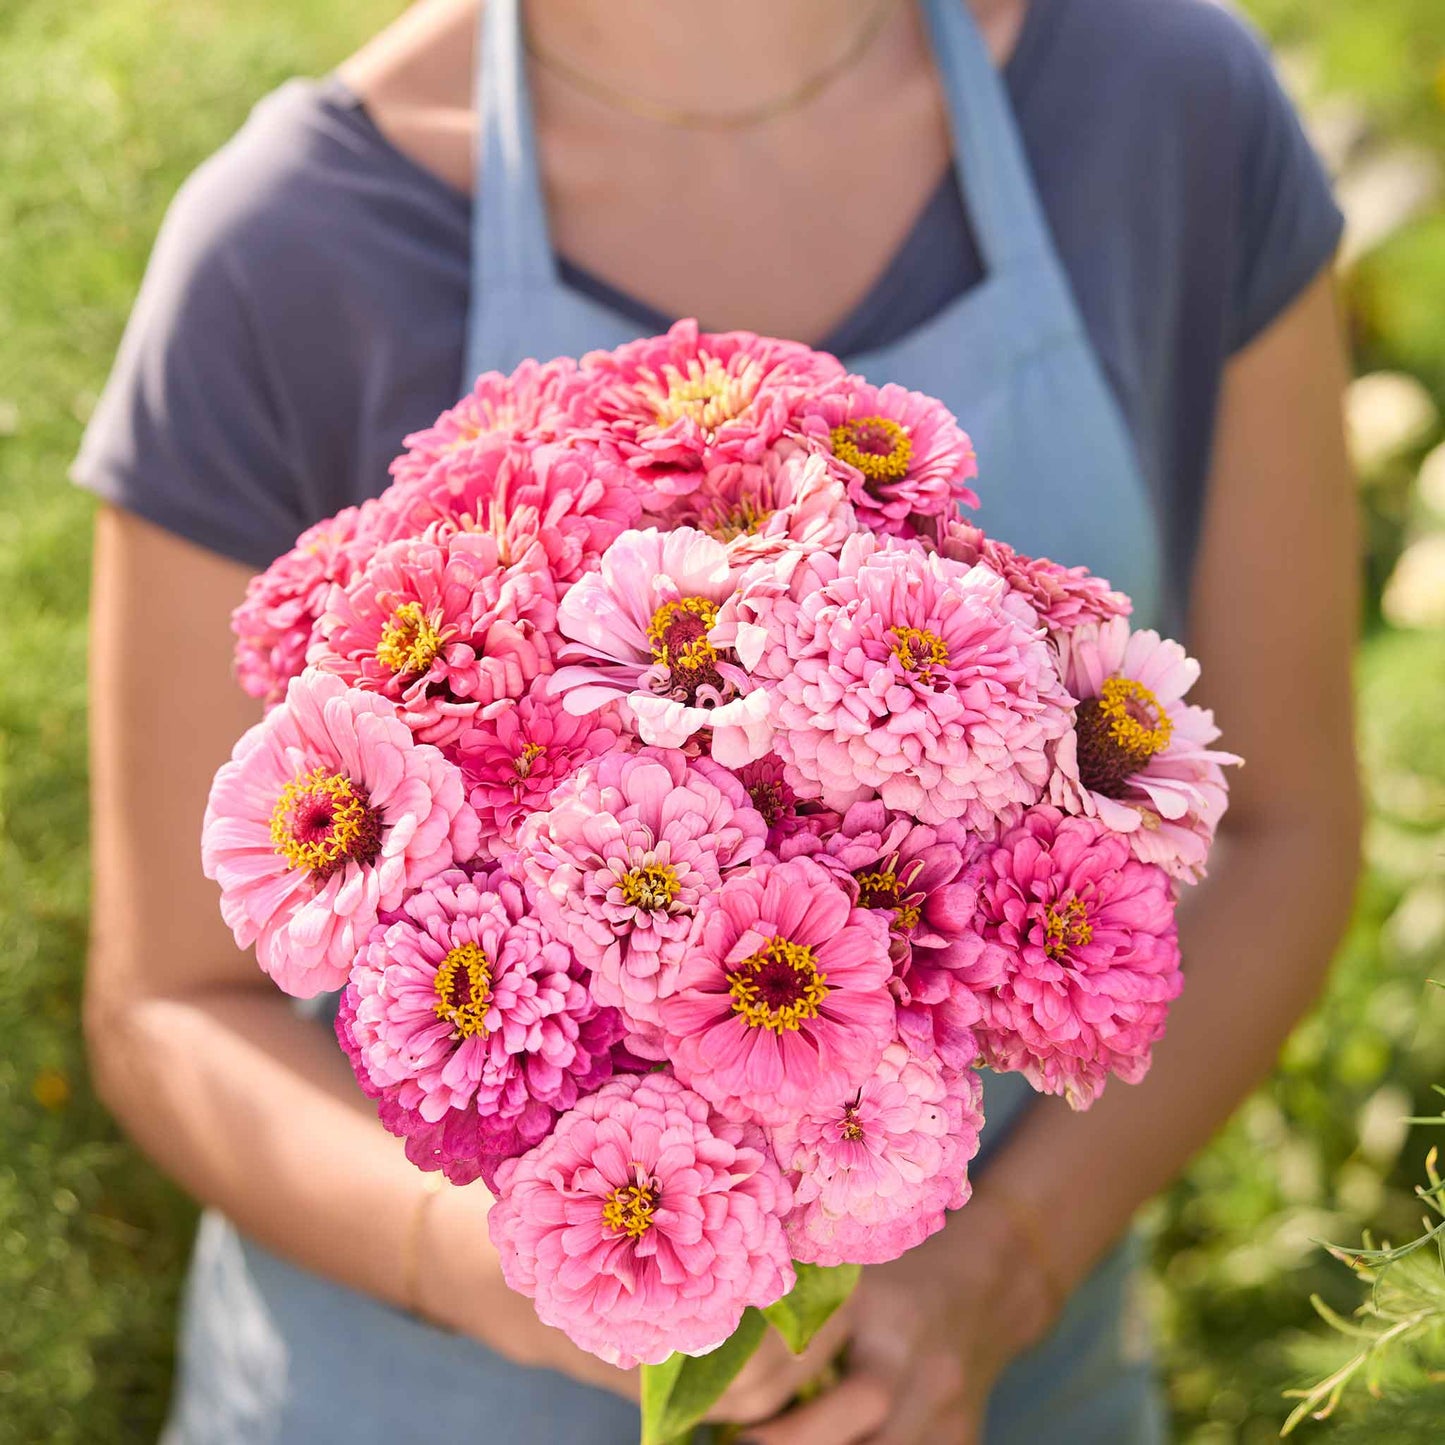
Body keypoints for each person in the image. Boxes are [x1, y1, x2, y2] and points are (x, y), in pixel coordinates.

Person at [74, 0, 1362, 1440]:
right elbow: (170, 1001)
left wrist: (1001, 1265)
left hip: (998, 1377)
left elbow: (1282, 822)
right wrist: (531, 1273)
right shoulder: (289, 245)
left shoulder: (1159, 109)